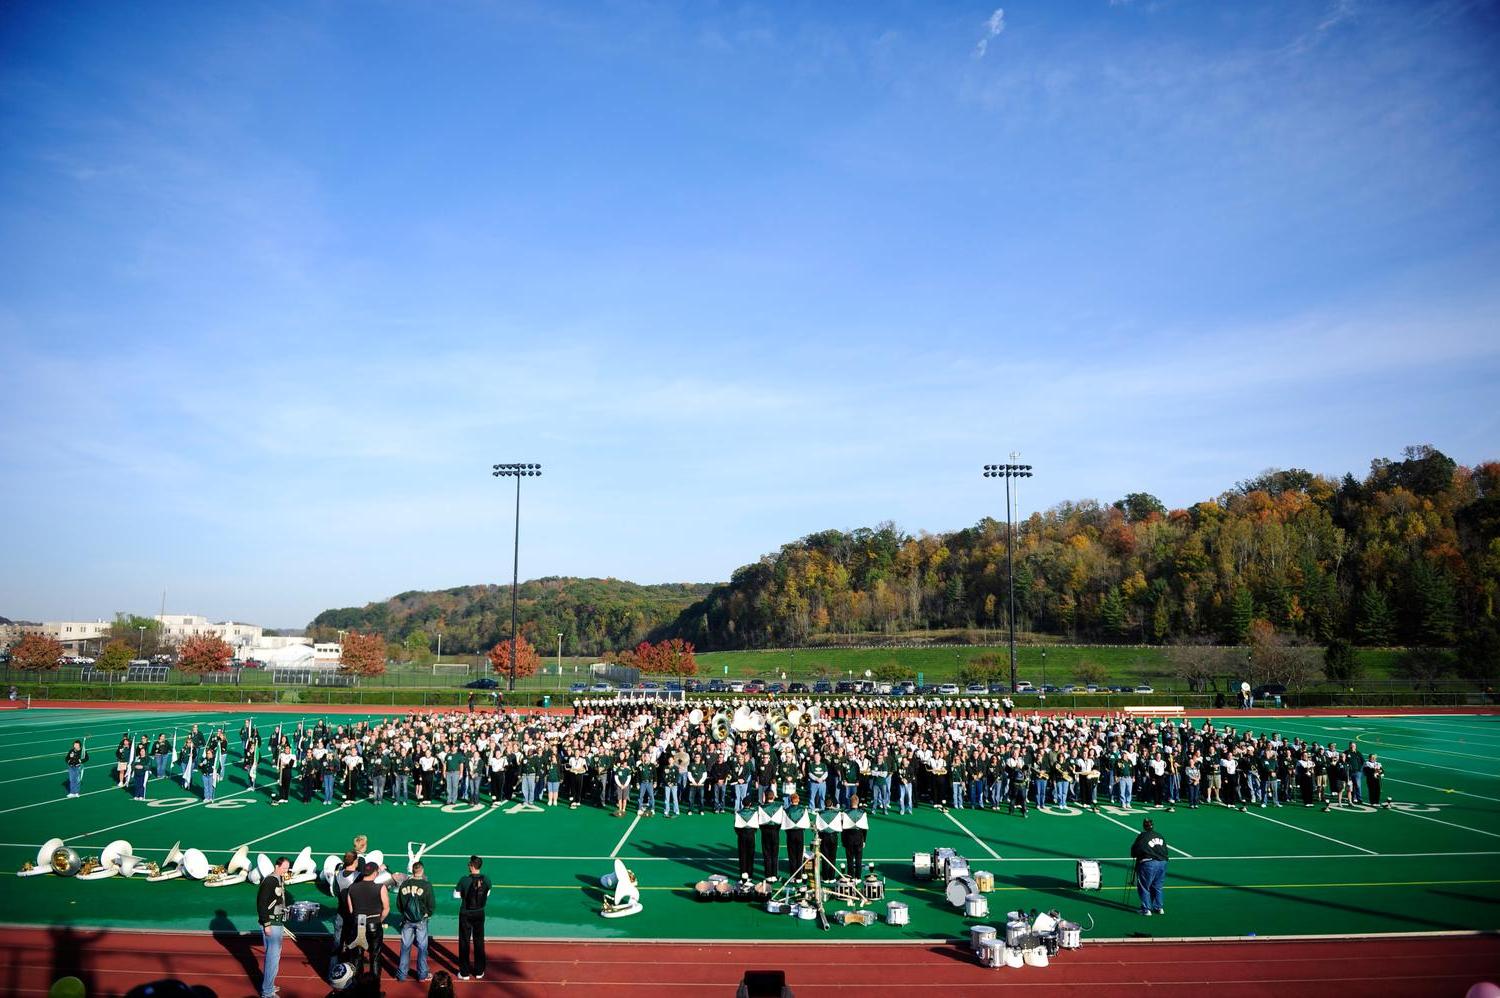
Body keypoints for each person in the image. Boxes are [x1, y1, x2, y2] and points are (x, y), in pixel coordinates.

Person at [342, 860, 389, 981]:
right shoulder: (380, 887)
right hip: (374, 924)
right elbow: (386, 908)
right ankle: (374, 985)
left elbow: (351, 910)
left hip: (358, 924)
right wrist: (379, 920)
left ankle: (356, 984)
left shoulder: (352, 887)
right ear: (374, 873)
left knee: (357, 956)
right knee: (375, 955)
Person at [255, 855, 290, 998]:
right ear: (277, 866)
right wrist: (266, 924)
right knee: (272, 958)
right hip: (272, 924)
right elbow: (261, 903)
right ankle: (267, 992)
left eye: (287, 868)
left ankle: (269, 985)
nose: (285, 871)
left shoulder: (279, 879)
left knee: (275, 957)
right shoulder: (270, 881)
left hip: (278, 922)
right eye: (284, 868)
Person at [395, 860, 435, 983]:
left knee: (405, 946)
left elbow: (399, 903)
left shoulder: (404, 884)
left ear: (412, 871)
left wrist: (405, 914)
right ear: (422, 871)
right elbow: (431, 903)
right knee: (422, 947)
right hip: (421, 920)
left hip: (407, 920)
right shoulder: (426, 885)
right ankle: (422, 974)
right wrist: (428, 913)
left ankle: (402, 974)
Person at [455, 855, 491, 981]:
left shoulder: (464, 880)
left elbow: (455, 895)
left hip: (466, 913)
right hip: (480, 913)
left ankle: (464, 973)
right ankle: (479, 971)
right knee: (479, 941)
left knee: (464, 942)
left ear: (471, 866)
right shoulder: (486, 879)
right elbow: (488, 893)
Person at [1130, 818, 1169, 916]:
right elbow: (1165, 850)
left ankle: (1146, 909)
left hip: (1149, 863)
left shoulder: (1142, 836)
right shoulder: (1159, 835)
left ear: (1144, 826)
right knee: (1158, 886)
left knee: (1144, 886)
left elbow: (1135, 850)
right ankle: (1159, 908)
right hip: (1163, 862)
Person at [840, 793, 869, 878]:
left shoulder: (845, 813)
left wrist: (843, 840)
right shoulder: (862, 813)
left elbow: (843, 829)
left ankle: (850, 875)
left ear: (850, 802)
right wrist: (864, 840)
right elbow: (865, 828)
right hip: (859, 838)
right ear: (858, 802)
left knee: (850, 859)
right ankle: (858, 877)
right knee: (858, 859)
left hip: (848, 838)